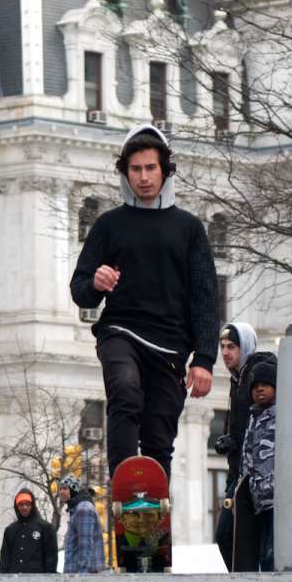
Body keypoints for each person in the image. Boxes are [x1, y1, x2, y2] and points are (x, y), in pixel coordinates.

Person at [69, 124, 218, 480]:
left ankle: (153, 518)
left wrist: (205, 359)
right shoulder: (108, 225)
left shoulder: (189, 228)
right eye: (135, 169)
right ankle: (122, 479)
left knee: (158, 437)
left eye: (151, 168)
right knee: (124, 389)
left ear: (165, 171)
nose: (144, 177)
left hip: (170, 347)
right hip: (121, 332)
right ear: (125, 173)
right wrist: (97, 282)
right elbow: (79, 289)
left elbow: (205, 296)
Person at [212, 322, 276, 569]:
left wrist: (236, 442)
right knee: (234, 538)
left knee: (239, 538)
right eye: (223, 347)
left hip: (257, 477)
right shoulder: (238, 378)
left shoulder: (256, 371)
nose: (225, 352)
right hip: (240, 474)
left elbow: (260, 424)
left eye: (232, 346)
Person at [238, 360, 277, 571]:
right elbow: (247, 456)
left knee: (272, 553)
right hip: (258, 499)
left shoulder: (282, 414)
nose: (259, 389)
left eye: (265, 384)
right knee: (263, 554)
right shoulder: (253, 418)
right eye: (255, 386)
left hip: (277, 499)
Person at [0, 488, 58, 574]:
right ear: (17, 506)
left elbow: (51, 560)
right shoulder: (10, 530)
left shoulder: (46, 528)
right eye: (21, 505)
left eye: (27, 504)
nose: (24, 507)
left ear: (32, 505)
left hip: (38, 581)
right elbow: (4, 560)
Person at [59, 476, 104, 573]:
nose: (61, 492)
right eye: (60, 488)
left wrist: (81, 577)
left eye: (65, 488)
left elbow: (85, 546)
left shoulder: (83, 509)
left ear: (73, 489)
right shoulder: (76, 509)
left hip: (82, 576)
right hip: (77, 575)